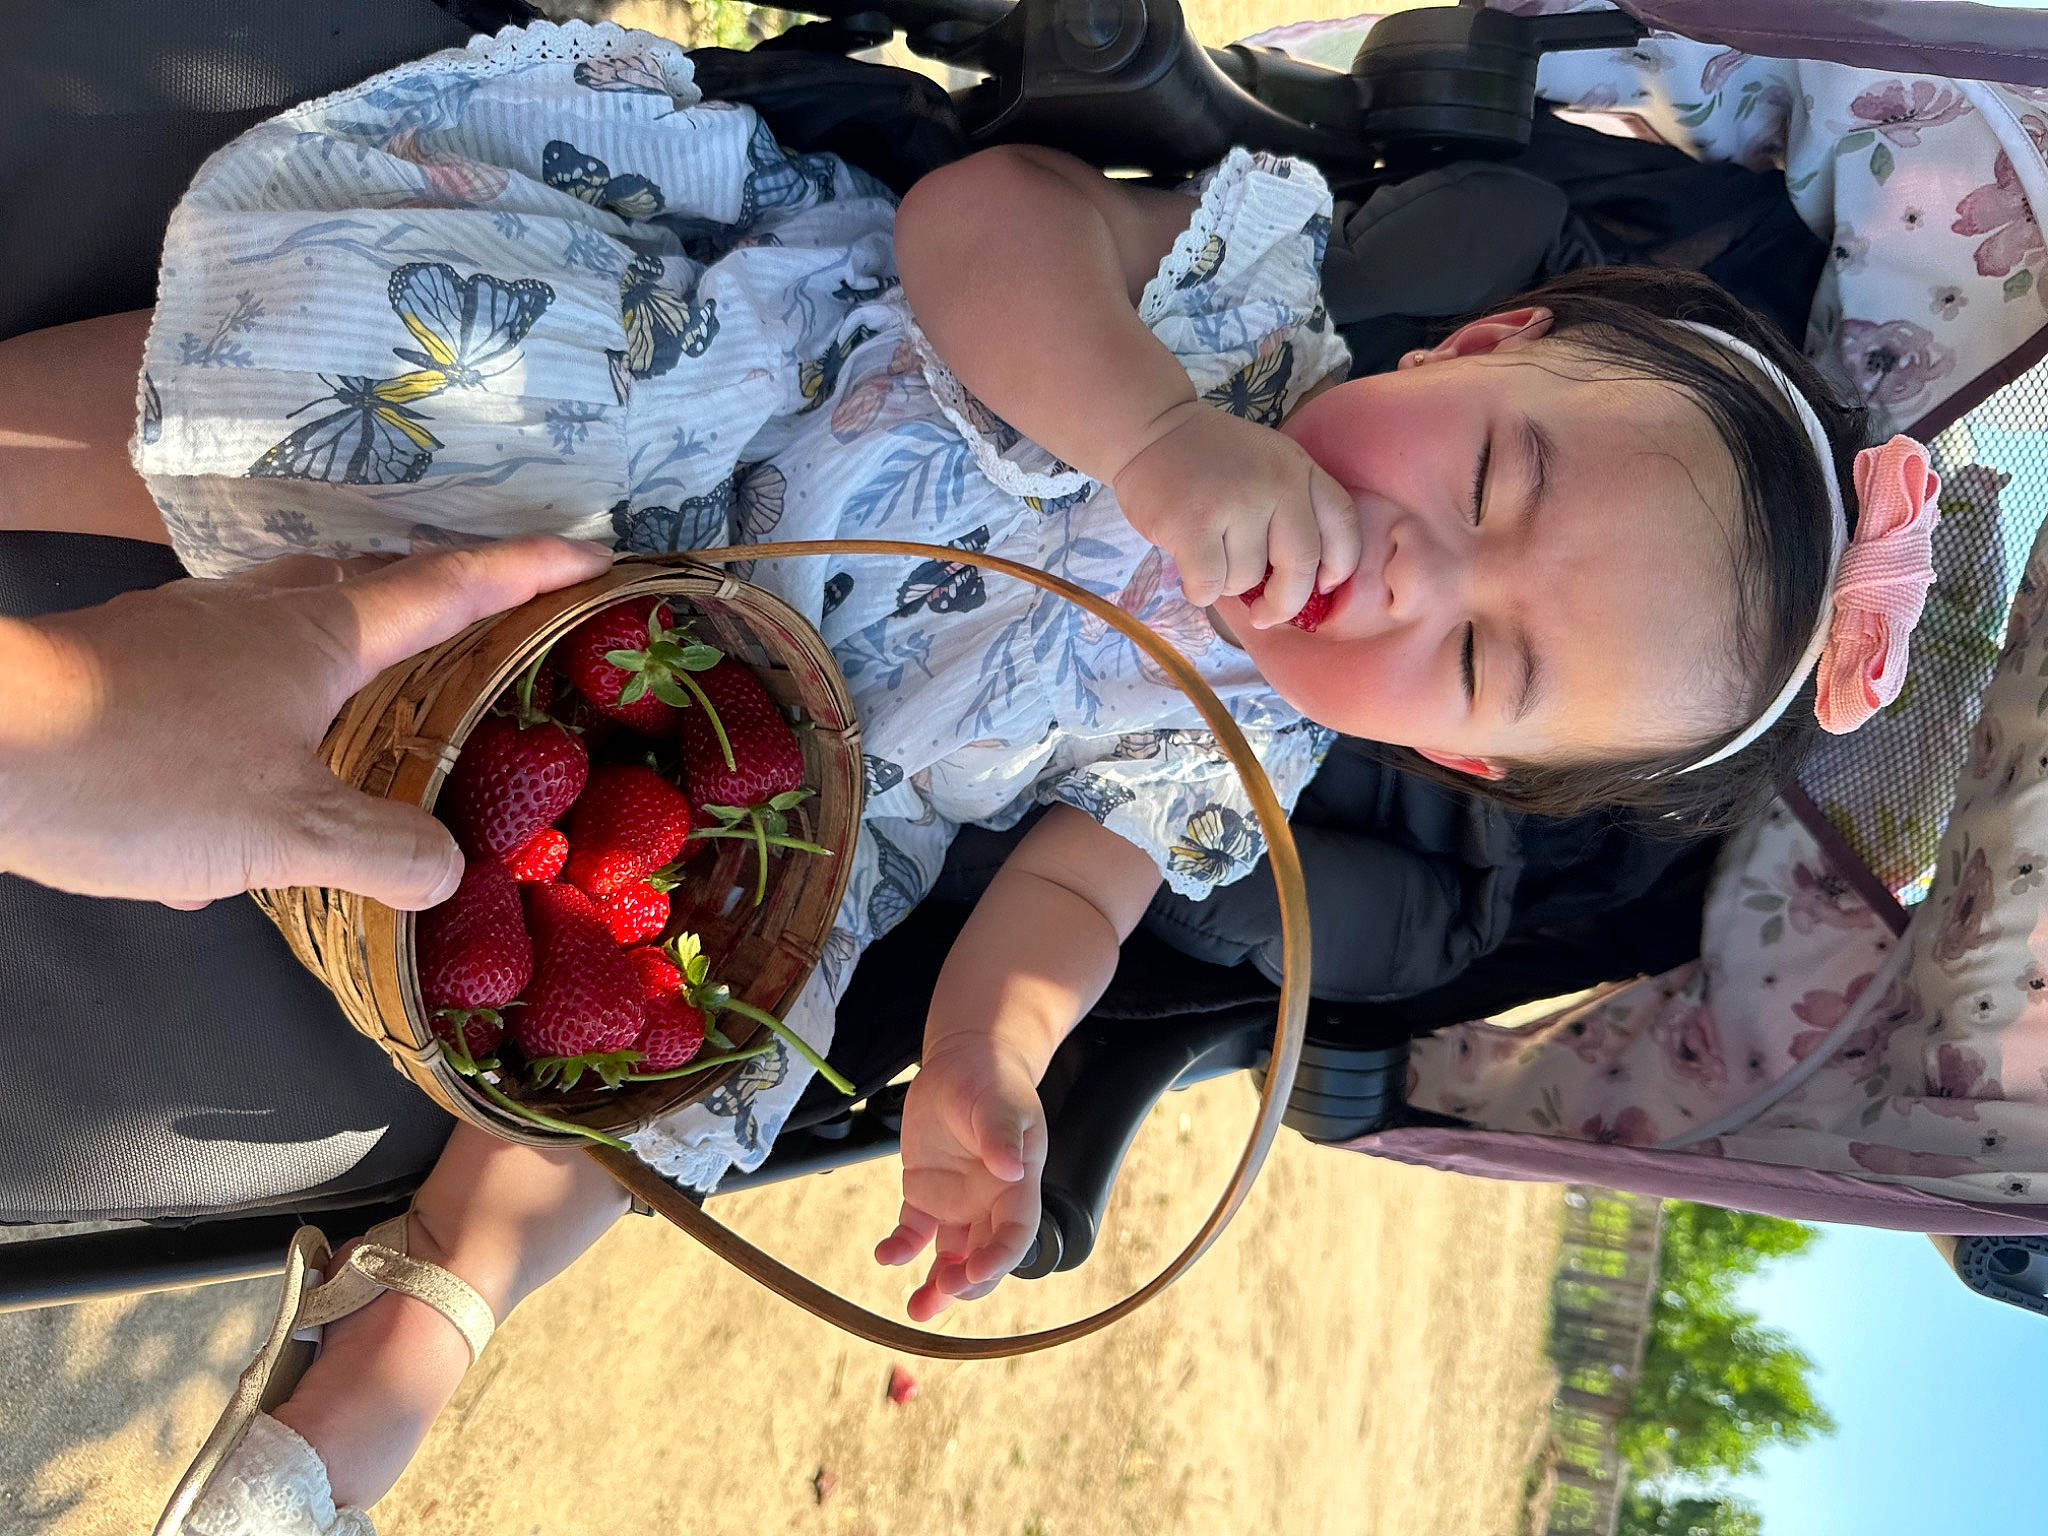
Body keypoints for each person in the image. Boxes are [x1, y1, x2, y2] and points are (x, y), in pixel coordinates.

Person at [0, 21, 1941, 1534]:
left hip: (775, 757)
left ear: (1447, 747)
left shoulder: (1242, 740)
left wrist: (984, 1069)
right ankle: (49, 447)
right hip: (711, 410)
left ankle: (422, 1319)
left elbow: (1067, 902)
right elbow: (975, 226)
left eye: (1480, 656)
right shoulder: (1234, 289)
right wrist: (1159, 433)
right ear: (1486, 337)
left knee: (724, 1042)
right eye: (1497, 475)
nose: (1428, 568)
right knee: (452, 375)